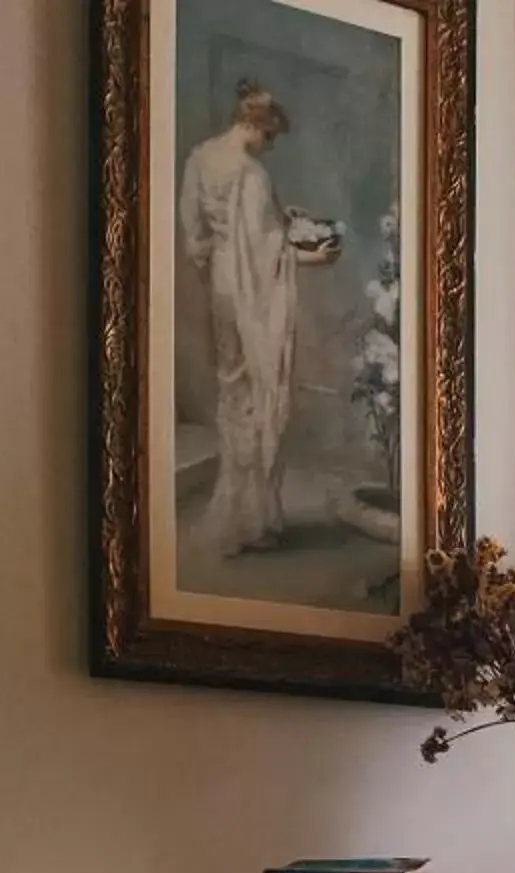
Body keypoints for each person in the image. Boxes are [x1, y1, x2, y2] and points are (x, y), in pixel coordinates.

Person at [179, 81, 336, 556]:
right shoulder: (251, 174)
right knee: (261, 389)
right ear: (254, 126)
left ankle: (240, 511)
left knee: (234, 388)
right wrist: (316, 256)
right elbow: (267, 249)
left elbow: (195, 234)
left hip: (222, 286)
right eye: (270, 138)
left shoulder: (200, 158)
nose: (270, 146)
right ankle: (249, 520)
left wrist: (222, 258)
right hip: (251, 288)